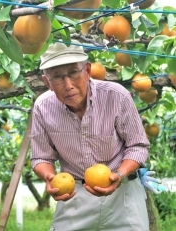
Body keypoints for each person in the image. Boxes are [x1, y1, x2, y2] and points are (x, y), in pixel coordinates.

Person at [30, 40, 151, 231]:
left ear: (87, 70)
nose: (68, 85)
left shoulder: (116, 96)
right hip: (74, 195)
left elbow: (137, 146)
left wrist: (119, 174)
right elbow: (41, 157)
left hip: (123, 193)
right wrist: (50, 178)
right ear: (47, 82)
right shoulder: (43, 107)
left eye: (73, 73)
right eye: (58, 78)